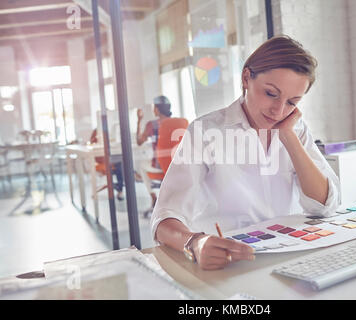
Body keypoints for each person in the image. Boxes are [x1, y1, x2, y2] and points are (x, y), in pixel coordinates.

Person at [150, 35, 340, 270]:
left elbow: (323, 206)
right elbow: (163, 219)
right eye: (271, 93)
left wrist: (288, 137)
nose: (279, 110)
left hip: (287, 257)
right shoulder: (205, 131)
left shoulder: (295, 129)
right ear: (246, 78)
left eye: (292, 102)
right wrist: (194, 242)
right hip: (227, 260)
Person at [136, 96, 172, 215]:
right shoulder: (177, 122)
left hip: (160, 165)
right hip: (175, 164)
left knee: (141, 165)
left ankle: (153, 197)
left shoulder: (151, 125)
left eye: (153, 107)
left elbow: (139, 141)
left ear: (157, 109)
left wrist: (139, 120)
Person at [89, 128, 124, 201]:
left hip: (110, 162)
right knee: (119, 167)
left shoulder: (107, 137)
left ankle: (120, 189)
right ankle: (120, 189)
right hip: (101, 164)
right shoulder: (95, 137)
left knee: (119, 164)